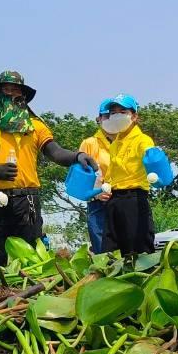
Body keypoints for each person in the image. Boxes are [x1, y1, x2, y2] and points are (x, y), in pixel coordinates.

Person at [0, 70, 97, 267]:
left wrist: (77, 156)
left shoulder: (35, 126)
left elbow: (55, 152)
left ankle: (30, 295)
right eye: (6, 90)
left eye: (16, 91)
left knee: (31, 253)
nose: (11, 95)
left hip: (26, 198)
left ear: (23, 96)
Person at [95, 95, 158, 258]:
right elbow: (111, 175)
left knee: (138, 252)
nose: (117, 116)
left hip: (134, 200)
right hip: (113, 202)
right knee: (110, 253)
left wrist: (156, 163)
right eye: (113, 112)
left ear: (134, 116)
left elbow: (152, 158)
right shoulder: (115, 144)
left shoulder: (143, 140)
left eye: (122, 111)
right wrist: (100, 190)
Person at [78, 100, 115, 255]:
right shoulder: (90, 143)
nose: (109, 120)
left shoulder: (128, 142)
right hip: (99, 203)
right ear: (99, 119)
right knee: (103, 253)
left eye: (113, 116)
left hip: (123, 200)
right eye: (105, 116)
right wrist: (97, 192)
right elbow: (82, 179)